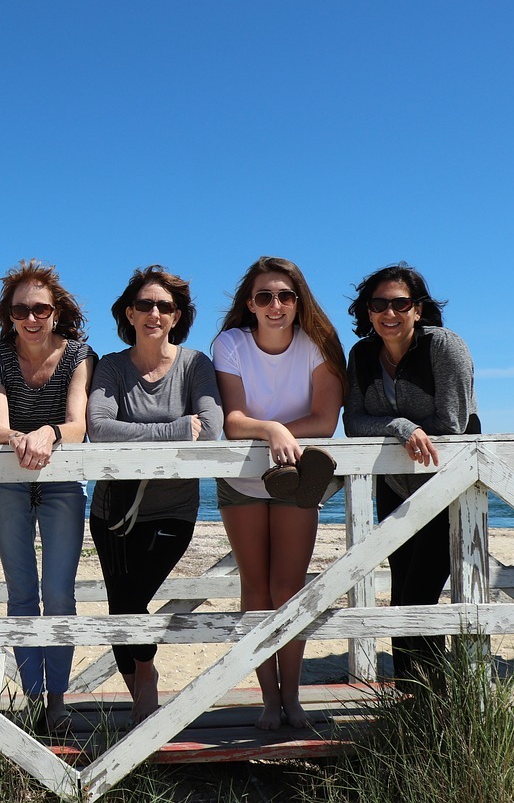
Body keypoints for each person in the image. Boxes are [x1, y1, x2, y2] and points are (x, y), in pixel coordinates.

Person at [212, 256, 346, 730]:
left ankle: (293, 696)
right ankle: (269, 698)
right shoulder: (230, 343)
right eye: (265, 296)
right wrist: (273, 430)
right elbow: (233, 422)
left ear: (298, 301)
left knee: (289, 588)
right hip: (242, 479)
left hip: (297, 477)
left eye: (285, 296)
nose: (276, 305)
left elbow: (325, 421)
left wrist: (279, 436)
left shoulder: (318, 344)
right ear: (250, 304)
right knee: (255, 588)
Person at [86, 266, 223, 725]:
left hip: (173, 508)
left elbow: (212, 429)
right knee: (119, 607)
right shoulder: (112, 366)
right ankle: (142, 693)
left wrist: (148, 433)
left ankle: (145, 677)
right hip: (113, 509)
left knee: (133, 600)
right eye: (144, 304)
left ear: (177, 316)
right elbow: (99, 429)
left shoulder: (195, 365)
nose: (154, 313)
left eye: (165, 306)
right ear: (129, 313)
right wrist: (175, 429)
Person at [342, 262, 479, 686]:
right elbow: (353, 422)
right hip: (394, 486)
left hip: (447, 487)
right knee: (401, 591)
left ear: (418, 309)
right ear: (367, 311)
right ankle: (410, 694)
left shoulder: (444, 347)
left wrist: (401, 429)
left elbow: (454, 424)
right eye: (378, 304)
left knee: (420, 593)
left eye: (400, 303)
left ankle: (434, 696)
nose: (389, 312)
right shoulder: (362, 355)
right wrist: (401, 427)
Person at [0, 259, 94, 733]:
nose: (31, 317)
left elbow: (78, 426)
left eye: (40, 308)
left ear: (56, 311)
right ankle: (31, 698)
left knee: (60, 592)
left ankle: (58, 701)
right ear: (8, 315)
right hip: (8, 479)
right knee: (21, 591)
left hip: (63, 480)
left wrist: (48, 432)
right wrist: (22, 438)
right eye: (20, 309)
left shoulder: (78, 354)